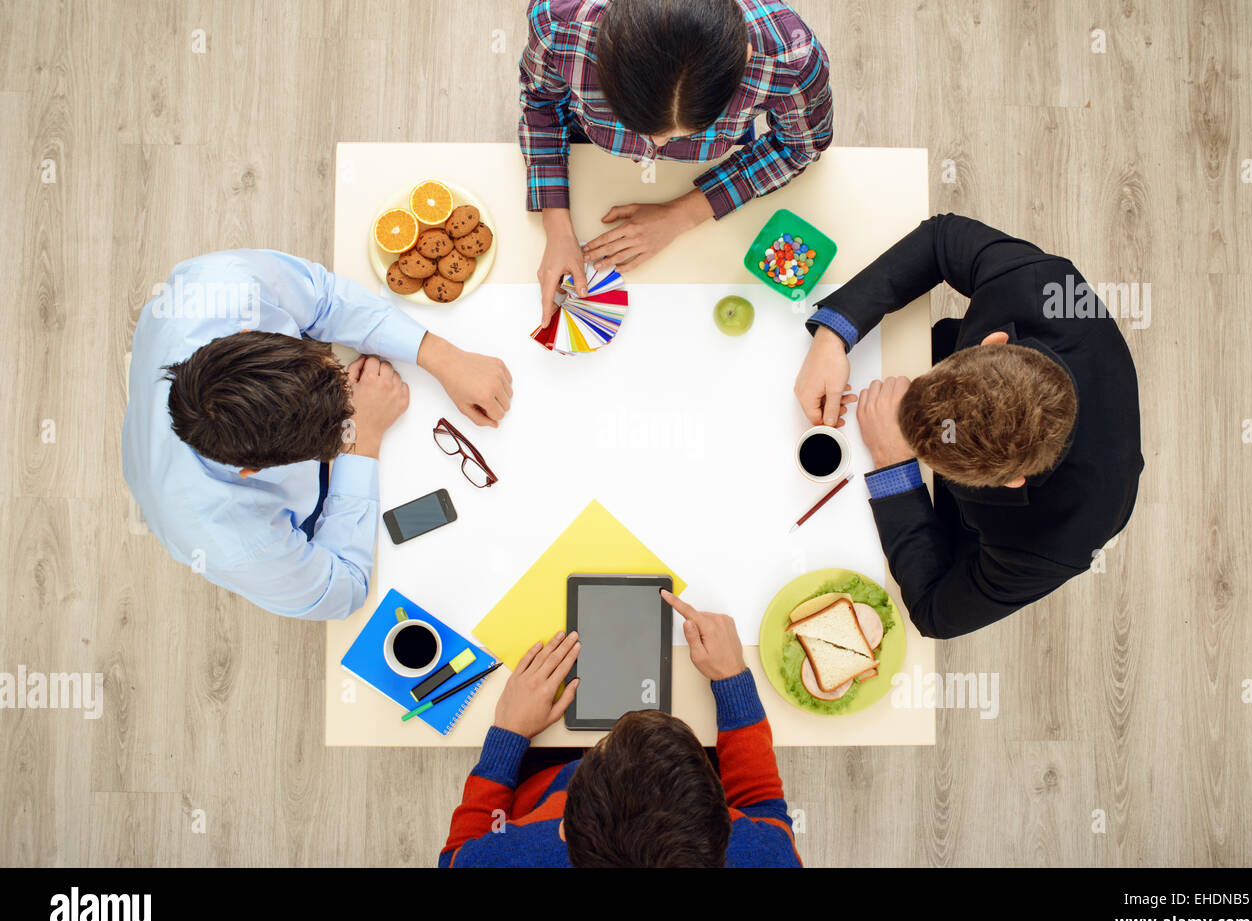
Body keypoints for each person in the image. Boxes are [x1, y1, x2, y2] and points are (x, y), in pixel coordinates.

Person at [793, 214, 1143, 639]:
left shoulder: (1060, 542)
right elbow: (941, 239)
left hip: (947, 526)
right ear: (993, 341)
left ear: (1013, 481)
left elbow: (934, 614)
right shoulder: (1043, 287)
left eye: (927, 452)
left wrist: (894, 465)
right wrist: (833, 334)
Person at [122, 249, 513, 620]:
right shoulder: (232, 542)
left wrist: (441, 355)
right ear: (252, 471)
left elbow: (323, 298)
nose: (349, 382)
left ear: (250, 329)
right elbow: (345, 589)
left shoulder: (226, 283)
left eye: (331, 368)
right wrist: (362, 439)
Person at [519, 0, 832, 325]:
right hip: (587, 150)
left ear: (744, 60)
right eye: (639, 124)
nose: (655, 146)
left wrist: (683, 214)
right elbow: (541, 104)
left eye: (690, 130)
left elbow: (799, 146)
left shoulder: (792, 58)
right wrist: (556, 226)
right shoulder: (559, 23)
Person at [439, 591, 800, 867]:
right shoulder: (767, 856)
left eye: (602, 749)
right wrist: (734, 681)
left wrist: (508, 734)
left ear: (563, 828)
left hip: (531, 785)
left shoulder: (507, 857)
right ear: (725, 826)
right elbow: (763, 809)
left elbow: (455, 856)